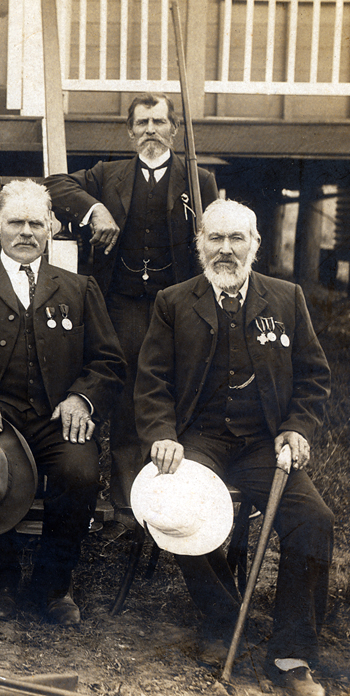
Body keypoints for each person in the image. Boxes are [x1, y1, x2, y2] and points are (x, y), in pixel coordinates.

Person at [134, 200, 333, 696]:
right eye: (215, 239)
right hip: (197, 438)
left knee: (315, 520)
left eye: (236, 239)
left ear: (255, 244)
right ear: (199, 243)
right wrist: (162, 433)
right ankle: (224, 619)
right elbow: (152, 380)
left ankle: (290, 655)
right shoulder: (174, 301)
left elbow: (314, 378)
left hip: (265, 442)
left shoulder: (287, 298)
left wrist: (297, 428)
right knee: (172, 507)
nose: (226, 250)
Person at [0, 179, 124, 625]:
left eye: (37, 223)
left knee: (80, 473)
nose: (27, 232)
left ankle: (53, 587)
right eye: (17, 222)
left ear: (51, 228)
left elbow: (109, 361)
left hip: (57, 419)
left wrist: (81, 399)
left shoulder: (79, 288)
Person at [44, 93, 220, 524]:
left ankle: (166, 499)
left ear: (174, 130)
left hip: (174, 307)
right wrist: (95, 208)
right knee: (123, 394)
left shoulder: (199, 181)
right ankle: (127, 506)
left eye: (159, 122)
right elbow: (54, 185)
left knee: (167, 394)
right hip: (120, 305)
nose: (150, 131)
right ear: (129, 132)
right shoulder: (108, 174)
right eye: (141, 123)